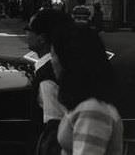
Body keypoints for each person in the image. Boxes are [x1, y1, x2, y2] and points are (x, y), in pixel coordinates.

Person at [51, 23, 123, 155]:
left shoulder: (92, 110)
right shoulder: (86, 105)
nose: (52, 61)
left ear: (68, 59)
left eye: (53, 55)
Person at [25, 8, 73, 154]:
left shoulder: (47, 78)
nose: (27, 34)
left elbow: (54, 126)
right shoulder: (60, 64)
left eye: (30, 30)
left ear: (42, 38)